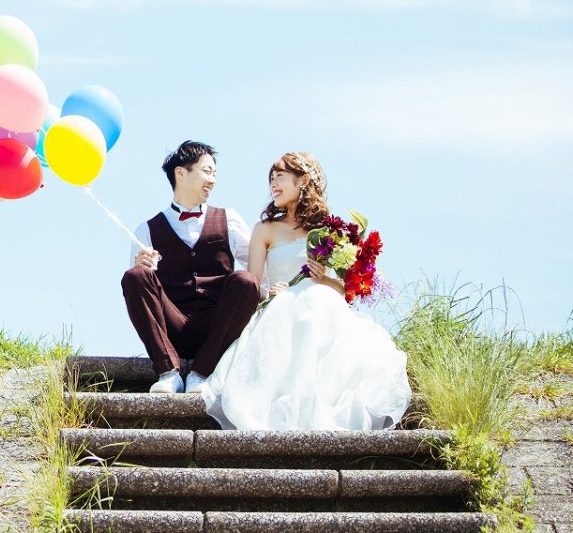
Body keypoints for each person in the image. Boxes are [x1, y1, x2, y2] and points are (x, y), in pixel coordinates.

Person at [200, 152, 412, 430]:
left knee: (318, 301)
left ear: (303, 181)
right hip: (280, 311)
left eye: (280, 177)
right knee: (293, 309)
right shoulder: (264, 230)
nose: (273, 184)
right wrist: (272, 294)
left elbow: (345, 293)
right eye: (271, 179)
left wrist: (323, 278)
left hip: (325, 309)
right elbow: (251, 287)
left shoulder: (330, 232)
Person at [122, 141, 260, 394]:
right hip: (172, 325)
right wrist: (143, 267)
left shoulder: (229, 219)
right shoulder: (147, 229)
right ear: (181, 173)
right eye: (207, 171)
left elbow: (258, 266)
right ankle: (168, 371)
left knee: (247, 281)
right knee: (135, 275)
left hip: (218, 326)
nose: (213, 180)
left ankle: (203, 373)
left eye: (215, 174)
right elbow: (142, 296)